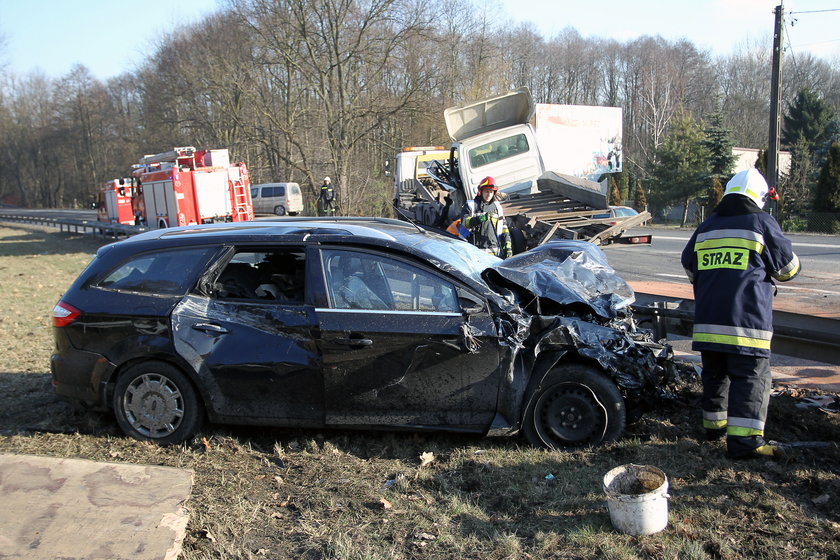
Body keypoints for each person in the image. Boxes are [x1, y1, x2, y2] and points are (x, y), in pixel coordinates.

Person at [680, 168, 800, 459]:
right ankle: (746, 444)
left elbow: (688, 265)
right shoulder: (762, 222)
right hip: (747, 327)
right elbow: (788, 270)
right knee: (751, 379)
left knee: (715, 376)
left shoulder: (707, 227)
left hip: (709, 323)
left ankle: (714, 429)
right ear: (759, 197)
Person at [460, 176, 513, 258]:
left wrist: (508, 245)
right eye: (486, 191)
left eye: (491, 192)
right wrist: (480, 219)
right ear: (481, 192)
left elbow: (504, 228)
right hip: (475, 252)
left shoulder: (497, 207)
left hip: (494, 252)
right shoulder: (471, 205)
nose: (489, 194)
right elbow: (465, 222)